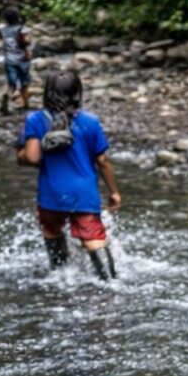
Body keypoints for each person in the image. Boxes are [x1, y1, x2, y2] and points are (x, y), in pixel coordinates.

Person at [15, 70, 122, 280]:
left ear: (47, 93)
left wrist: (20, 155)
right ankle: (110, 282)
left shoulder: (36, 120)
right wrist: (114, 192)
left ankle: (60, 277)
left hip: (51, 194)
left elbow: (33, 157)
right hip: (84, 194)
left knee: (52, 230)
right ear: (77, 93)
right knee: (93, 237)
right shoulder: (90, 121)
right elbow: (102, 161)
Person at [0, 5, 32, 113]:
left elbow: (0, 37)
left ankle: (8, 95)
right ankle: (26, 105)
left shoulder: (2, 29)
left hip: (9, 60)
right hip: (23, 60)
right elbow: (27, 42)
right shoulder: (22, 29)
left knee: (11, 83)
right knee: (24, 83)